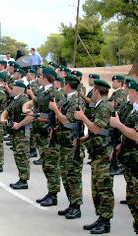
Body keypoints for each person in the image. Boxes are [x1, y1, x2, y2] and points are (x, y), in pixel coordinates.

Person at [74, 79, 114, 234]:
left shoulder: (104, 107)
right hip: (97, 151)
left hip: (104, 153)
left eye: (93, 91)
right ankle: (100, 218)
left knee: (104, 188)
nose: (92, 94)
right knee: (97, 188)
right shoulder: (100, 106)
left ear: (97, 91)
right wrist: (83, 139)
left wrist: (83, 117)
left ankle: (106, 221)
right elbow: (99, 131)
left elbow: (97, 129)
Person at [48, 75, 85, 217]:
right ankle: (71, 204)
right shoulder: (68, 99)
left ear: (68, 85)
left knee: (73, 176)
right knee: (65, 175)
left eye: (64, 85)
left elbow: (68, 121)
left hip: (72, 145)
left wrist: (55, 109)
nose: (63, 87)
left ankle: (76, 206)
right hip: (64, 144)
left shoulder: (76, 100)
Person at [110, 80, 138, 235]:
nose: (128, 94)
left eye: (130, 92)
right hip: (131, 163)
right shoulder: (134, 109)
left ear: (134, 92)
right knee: (133, 202)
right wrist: (122, 144)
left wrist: (119, 125)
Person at [0, 80, 31, 189]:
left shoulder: (24, 100)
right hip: (15, 132)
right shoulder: (16, 100)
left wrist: (20, 124)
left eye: (13, 88)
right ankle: (21, 178)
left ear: (18, 89)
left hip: (22, 132)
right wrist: (3, 119)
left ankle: (24, 180)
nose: (11, 89)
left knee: (22, 156)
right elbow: (6, 111)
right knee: (18, 155)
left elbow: (30, 116)